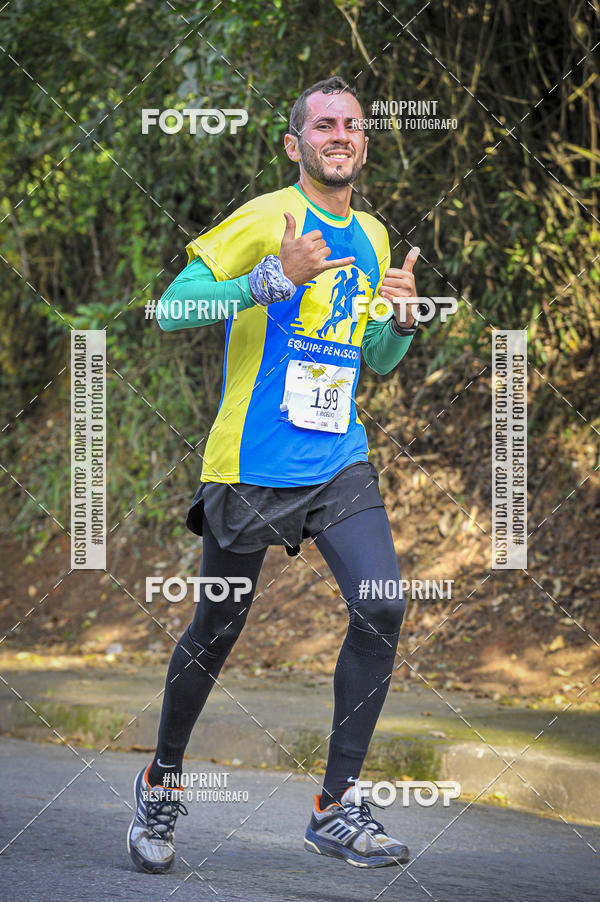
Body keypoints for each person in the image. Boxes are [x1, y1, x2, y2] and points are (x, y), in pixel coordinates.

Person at [127, 75, 421, 873]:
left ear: (364, 142)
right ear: (295, 144)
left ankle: (336, 804)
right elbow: (172, 307)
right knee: (217, 629)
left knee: (383, 604)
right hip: (252, 462)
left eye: (353, 125)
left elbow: (377, 361)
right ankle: (163, 780)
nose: (340, 135)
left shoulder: (377, 234)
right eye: (323, 124)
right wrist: (272, 279)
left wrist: (399, 320)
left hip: (336, 459)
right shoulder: (267, 217)